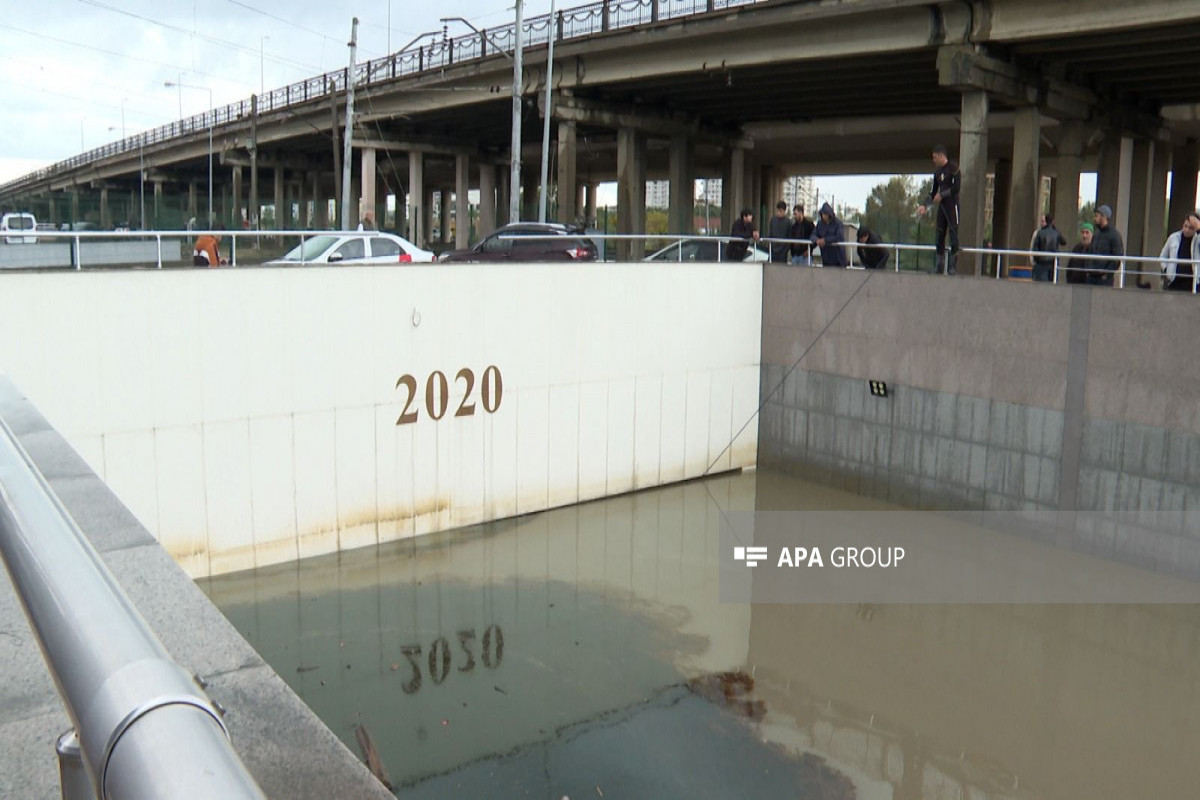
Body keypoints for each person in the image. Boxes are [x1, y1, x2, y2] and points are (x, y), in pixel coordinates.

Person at [916, 144, 961, 275]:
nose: (933, 160)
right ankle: (939, 266)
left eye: (935, 157)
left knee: (953, 235)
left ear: (941, 156)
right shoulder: (937, 173)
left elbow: (956, 188)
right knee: (939, 235)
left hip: (953, 206)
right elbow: (933, 192)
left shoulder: (954, 168)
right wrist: (925, 205)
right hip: (942, 208)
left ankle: (952, 266)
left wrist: (942, 194)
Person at [1159, 214, 1199, 292]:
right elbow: (1163, 256)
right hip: (1175, 280)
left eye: (1191, 228)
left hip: (1193, 281)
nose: (1187, 230)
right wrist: (1166, 269)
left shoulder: (1198, 239)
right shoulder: (1173, 237)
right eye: (1185, 226)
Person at [1090, 204, 1124, 286]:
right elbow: (1090, 252)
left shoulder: (1115, 235)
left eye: (1097, 216)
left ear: (1104, 217)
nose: (1095, 219)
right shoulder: (1096, 234)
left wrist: (1107, 274)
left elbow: (1117, 257)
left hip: (1104, 280)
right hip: (1091, 277)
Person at [1030, 212, 1067, 282]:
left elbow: (1035, 249)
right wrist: (1055, 229)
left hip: (1041, 263)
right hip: (1052, 264)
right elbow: (1064, 242)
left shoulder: (1040, 233)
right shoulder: (1056, 233)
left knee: (1040, 287)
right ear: (1053, 221)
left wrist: (1037, 260)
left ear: (1046, 221)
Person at [811, 202, 846, 267]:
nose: (823, 216)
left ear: (829, 214)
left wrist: (825, 240)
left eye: (825, 214)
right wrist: (817, 240)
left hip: (838, 259)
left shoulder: (838, 223)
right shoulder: (819, 224)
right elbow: (813, 235)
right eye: (822, 214)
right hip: (826, 258)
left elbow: (839, 237)